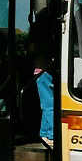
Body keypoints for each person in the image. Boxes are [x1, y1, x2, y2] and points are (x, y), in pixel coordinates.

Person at [29, 21, 54, 149]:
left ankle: (45, 133)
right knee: (49, 104)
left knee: (49, 103)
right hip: (44, 71)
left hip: (43, 70)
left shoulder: (38, 31)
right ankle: (50, 135)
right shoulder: (46, 37)